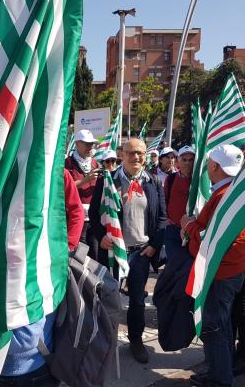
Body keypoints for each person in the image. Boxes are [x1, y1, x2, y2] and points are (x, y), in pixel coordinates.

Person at [0, 169, 84, 387]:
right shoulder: (1, 170)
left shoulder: (55, 171)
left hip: (30, 368)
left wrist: (65, 248)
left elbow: (76, 211)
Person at [89, 138, 166, 363]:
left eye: (140, 153)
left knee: (138, 301)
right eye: (131, 153)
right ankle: (105, 341)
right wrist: (101, 236)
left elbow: (162, 217)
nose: (136, 157)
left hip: (141, 253)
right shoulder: (108, 181)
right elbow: (94, 214)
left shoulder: (153, 182)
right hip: (113, 252)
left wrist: (154, 245)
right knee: (109, 299)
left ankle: (135, 340)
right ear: (122, 154)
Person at [182, 144, 245, 387]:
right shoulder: (233, 192)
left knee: (214, 325)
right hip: (230, 271)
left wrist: (188, 225)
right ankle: (221, 368)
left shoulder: (224, 196)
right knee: (223, 323)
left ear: (214, 166)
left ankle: (220, 379)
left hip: (218, 273)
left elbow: (212, 240)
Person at [65, 129, 99, 244]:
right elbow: (64, 188)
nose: (90, 147)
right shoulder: (67, 163)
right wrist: (85, 180)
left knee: (94, 252)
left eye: (91, 144)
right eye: (86, 144)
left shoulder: (95, 163)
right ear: (77, 143)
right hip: (75, 217)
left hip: (94, 217)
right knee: (78, 254)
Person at [164, 145, 195, 260]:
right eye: (184, 160)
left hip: (192, 231)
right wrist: (166, 218)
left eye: (191, 160)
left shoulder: (199, 182)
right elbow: (164, 200)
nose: (187, 163)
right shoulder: (170, 179)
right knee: (173, 264)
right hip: (173, 229)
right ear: (178, 161)